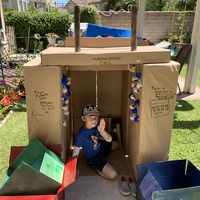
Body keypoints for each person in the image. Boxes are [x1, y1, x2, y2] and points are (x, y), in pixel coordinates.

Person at [72, 104, 117, 180]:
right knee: (113, 175)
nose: (93, 120)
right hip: (93, 157)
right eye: (89, 117)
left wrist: (102, 131)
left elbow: (109, 139)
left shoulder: (97, 125)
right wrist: (73, 168)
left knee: (116, 144)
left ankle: (101, 161)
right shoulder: (81, 135)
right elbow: (76, 151)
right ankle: (96, 167)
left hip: (100, 147)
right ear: (83, 118)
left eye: (95, 117)